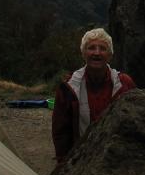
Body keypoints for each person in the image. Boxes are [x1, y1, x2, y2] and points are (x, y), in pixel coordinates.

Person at [51, 28, 135, 163]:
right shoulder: (69, 87)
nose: (97, 53)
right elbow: (61, 130)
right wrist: (63, 162)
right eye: (91, 48)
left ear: (110, 55)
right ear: (83, 53)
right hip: (80, 159)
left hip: (115, 160)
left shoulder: (125, 84)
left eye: (102, 48)